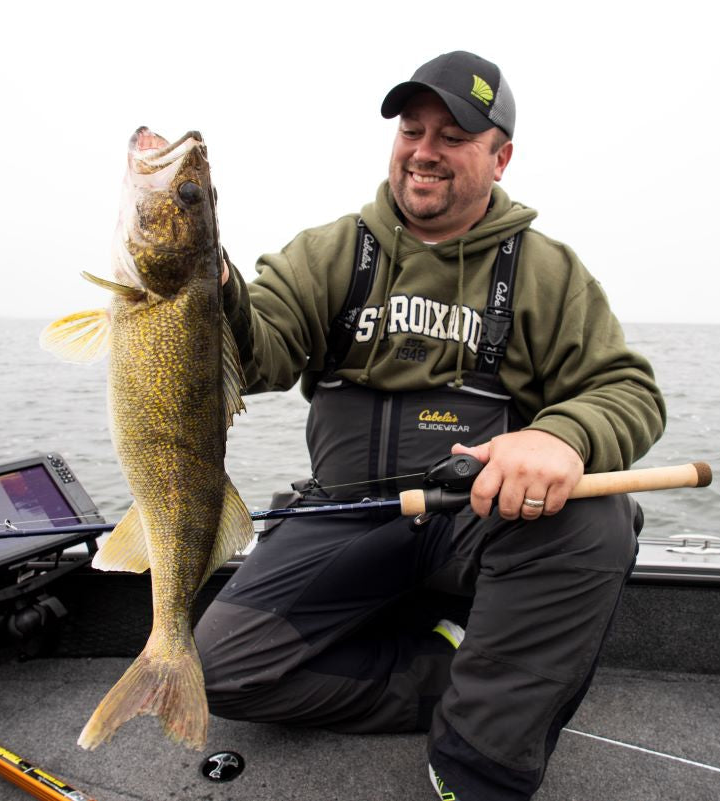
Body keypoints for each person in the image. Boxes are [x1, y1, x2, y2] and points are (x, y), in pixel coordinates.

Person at [196, 51, 666, 800]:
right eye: (411, 129)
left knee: (596, 517)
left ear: (499, 155)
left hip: (479, 518)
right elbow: (257, 355)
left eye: (452, 136)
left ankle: (477, 762)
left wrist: (558, 436)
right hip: (346, 514)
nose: (423, 151)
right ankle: (456, 668)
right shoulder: (326, 251)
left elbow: (624, 387)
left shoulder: (548, 271)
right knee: (219, 673)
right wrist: (208, 287)